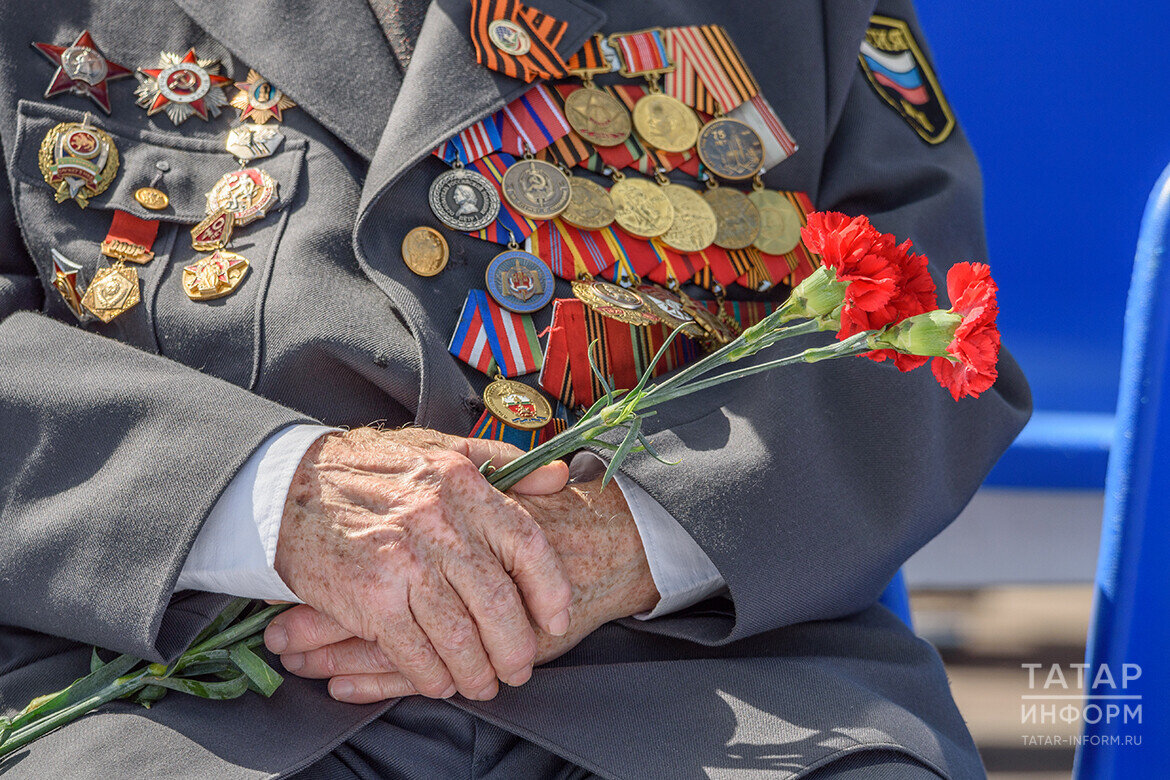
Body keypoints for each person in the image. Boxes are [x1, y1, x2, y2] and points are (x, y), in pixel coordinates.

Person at [0, 0, 1031, 777]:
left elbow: (924, 325)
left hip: (708, 693)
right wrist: (272, 500)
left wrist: (629, 537)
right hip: (168, 690)